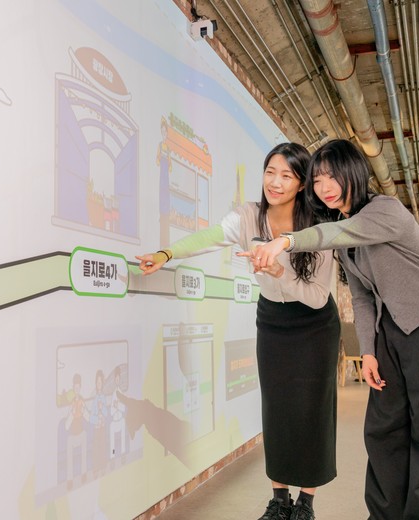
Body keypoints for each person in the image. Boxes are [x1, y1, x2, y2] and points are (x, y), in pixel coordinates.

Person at [247, 139, 419, 520]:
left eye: (332, 175)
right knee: (384, 430)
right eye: (317, 179)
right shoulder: (347, 238)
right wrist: (368, 351)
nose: (324, 186)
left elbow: (335, 233)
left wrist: (285, 240)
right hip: (393, 331)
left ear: (353, 172)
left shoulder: (384, 210)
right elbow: (363, 298)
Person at [137, 142, 340, 520]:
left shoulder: (319, 226)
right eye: (270, 172)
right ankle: (280, 501)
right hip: (273, 320)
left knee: (312, 410)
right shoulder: (249, 216)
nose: (275, 182)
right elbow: (210, 237)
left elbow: (316, 297)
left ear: (302, 183)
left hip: (315, 325)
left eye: (287, 176)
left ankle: (305, 504)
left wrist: (279, 272)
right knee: (276, 409)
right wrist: (167, 254)